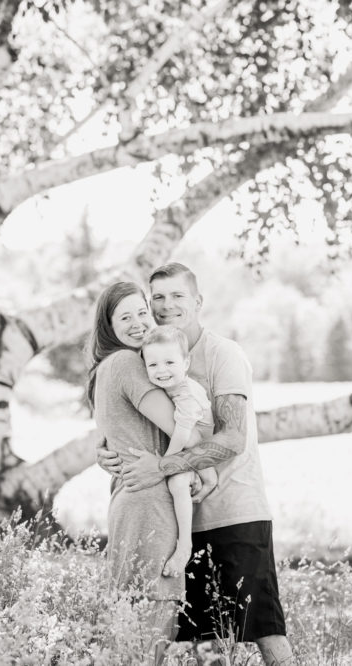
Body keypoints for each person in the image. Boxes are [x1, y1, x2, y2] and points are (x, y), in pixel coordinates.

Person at [98, 263, 294, 666]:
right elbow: (137, 425)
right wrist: (105, 452)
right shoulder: (149, 357)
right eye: (158, 298)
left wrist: (163, 467)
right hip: (182, 519)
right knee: (201, 645)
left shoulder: (223, 353)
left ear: (198, 301)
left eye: (178, 296)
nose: (166, 305)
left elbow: (233, 438)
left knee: (264, 630)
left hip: (234, 511)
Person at [86, 281, 189, 662]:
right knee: (150, 635)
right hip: (150, 507)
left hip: (132, 504)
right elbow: (184, 430)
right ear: (108, 327)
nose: (138, 323)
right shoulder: (128, 363)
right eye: (124, 316)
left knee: (130, 635)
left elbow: (121, 436)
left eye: (142, 312)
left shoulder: (111, 368)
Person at [139, 325, 218, 577]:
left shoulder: (186, 393)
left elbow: (183, 434)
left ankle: (185, 546)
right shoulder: (171, 385)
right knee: (181, 480)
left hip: (199, 443)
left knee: (176, 481)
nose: (161, 370)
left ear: (186, 363)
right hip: (193, 444)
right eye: (153, 365)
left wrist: (166, 463)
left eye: (169, 362)